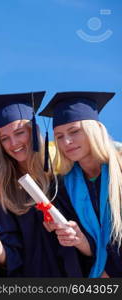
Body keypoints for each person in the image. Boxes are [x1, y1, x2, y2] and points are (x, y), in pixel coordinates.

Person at [0, 91, 86, 277]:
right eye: (4, 138)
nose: (13, 143)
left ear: (33, 131)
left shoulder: (64, 173)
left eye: (19, 133)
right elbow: (9, 258)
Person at [39, 91, 122, 277]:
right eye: (59, 136)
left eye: (74, 131)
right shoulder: (63, 188)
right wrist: (78, 240)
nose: (66, 142)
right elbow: (88, 254)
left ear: (94, 130)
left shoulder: (120, 169)